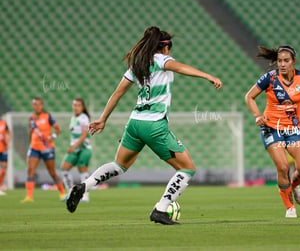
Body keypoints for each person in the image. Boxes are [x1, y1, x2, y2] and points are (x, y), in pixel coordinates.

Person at [66, 26, 222, 225]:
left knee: (120, 165)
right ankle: (161, 208)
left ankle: (84, 186)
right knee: (187, 169)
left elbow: (117, 93)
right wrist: (208, 76)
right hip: (154, 125)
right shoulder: (162, 59)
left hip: (134, 123)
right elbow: (182, 68)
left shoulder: (138, 65)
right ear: (165, 48)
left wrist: (103, 118)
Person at [245, 45, 300, 218]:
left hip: (293, 129)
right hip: (271, 128)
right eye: (279, 61)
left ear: (293, 61)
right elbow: (249, 96)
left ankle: (293, 185)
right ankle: (290, 208)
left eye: (286, 61)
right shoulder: (269, 78)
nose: (282, 64)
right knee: (283, 166)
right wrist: (257, 115)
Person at [21, 97, 66, 203]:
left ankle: (62, 193)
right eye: (35, 104)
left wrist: (53, 137)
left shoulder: (48, 116)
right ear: (32, 106)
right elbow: (31, 133)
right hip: (34, 148)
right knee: (30, 170)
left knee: (52, 172)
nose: (37, 106)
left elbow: (58, 129)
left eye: (39, 104)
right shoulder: (31, 118)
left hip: (47, 148)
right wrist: (30, 144)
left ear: (42, 105)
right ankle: (29, 197)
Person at [61, 98, 92, 202]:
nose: (76, 107)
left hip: (84, 148)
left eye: (78, 105)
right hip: (75, 148)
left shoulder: (84, 118)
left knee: (82, 170)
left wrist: (74, 146)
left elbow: (84, 135)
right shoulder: (73, 117)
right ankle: (71, 192)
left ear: (82, 107)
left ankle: (85, 195)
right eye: (74, 105)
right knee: (64, 168)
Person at [0, 118, 11, 196]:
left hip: (3, 149)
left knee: (4, 169)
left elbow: (8, 133)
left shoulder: (3, 123)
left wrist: (8, 141)